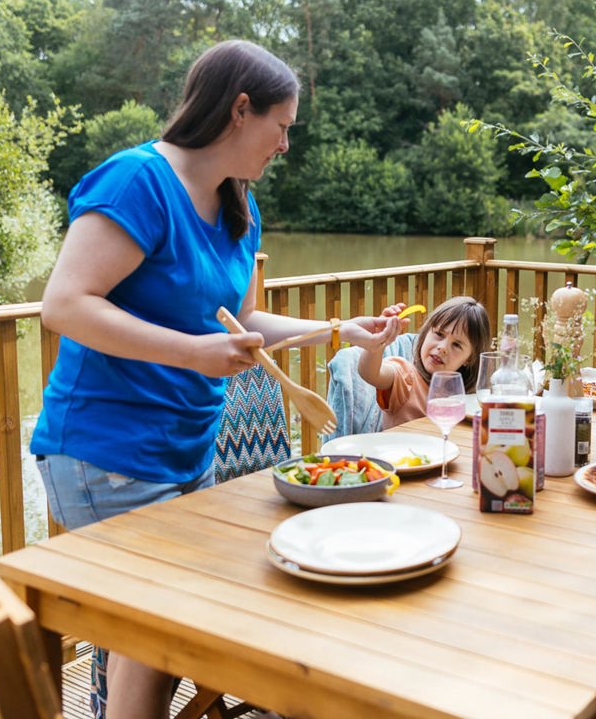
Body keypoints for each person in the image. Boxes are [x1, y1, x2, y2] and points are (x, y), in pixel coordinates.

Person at [30, 39, 402, 719]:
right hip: (104, 453)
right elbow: (65, 305)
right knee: (155, 625)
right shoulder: (136, 182)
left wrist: (339, 333)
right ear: (239, 110)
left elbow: (244, 317)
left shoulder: (237, 203)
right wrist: (189, 352)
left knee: (162, 634)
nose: (286, 144)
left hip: (183, 453)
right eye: (282, 126)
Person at [356, 296, 492, 428]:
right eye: (439, 334)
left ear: (469, 359)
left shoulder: (467, 397)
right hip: (402, 450)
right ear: (426, 333)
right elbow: (370, 373)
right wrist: (378, 340)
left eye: (456, 345)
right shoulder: (405, 378)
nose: (443, 348)